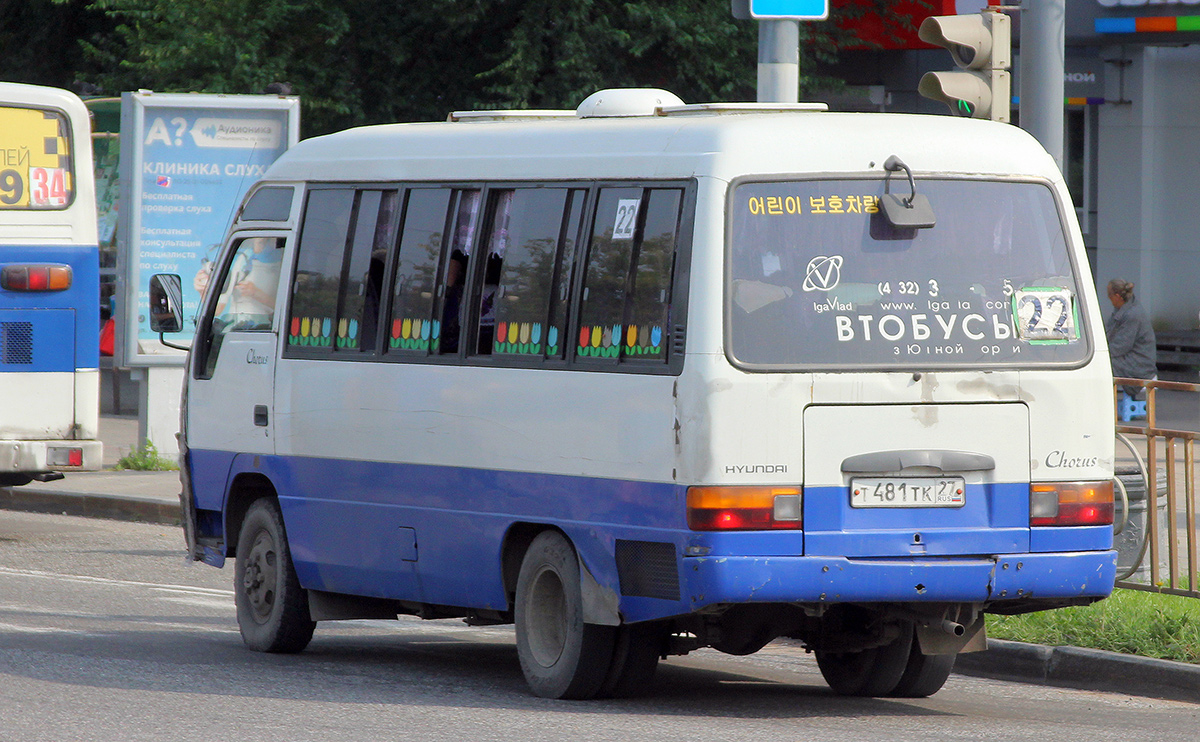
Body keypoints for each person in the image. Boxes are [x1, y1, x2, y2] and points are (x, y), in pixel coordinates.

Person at [1105, 278, 1157, 398]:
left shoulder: (1133, 314)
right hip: (1129, 357)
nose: (1108, 297)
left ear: (1117, 296)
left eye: (1109, 295)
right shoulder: (1123, 310)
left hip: (1139, 364)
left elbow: (1120, 346)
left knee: (1101, 365)